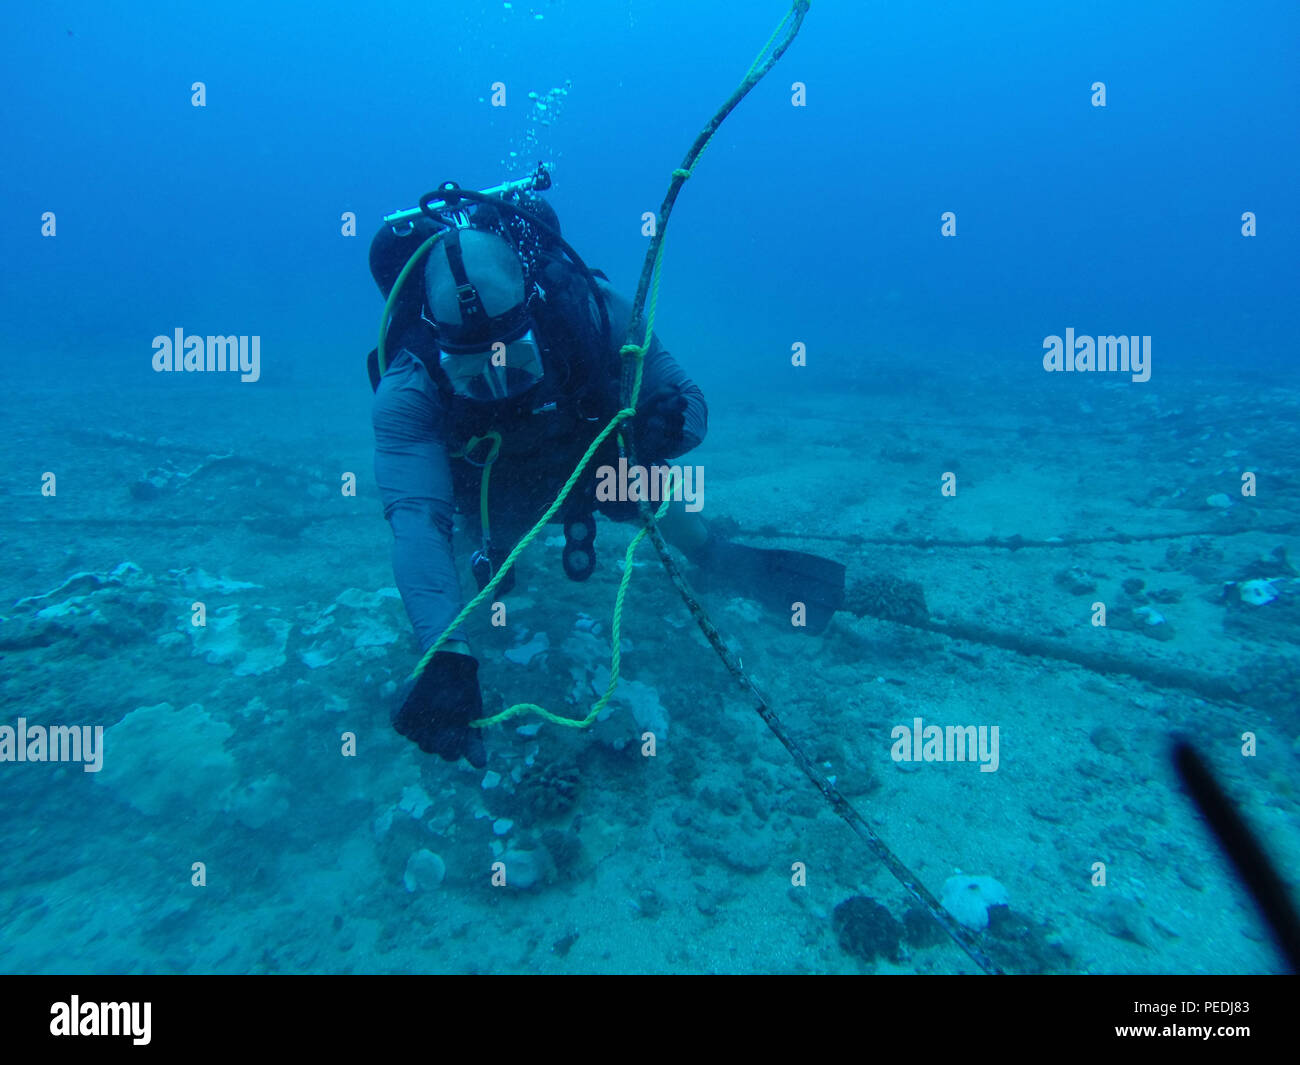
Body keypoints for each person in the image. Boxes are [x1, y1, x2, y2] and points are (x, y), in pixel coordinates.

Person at [368, 188, 843, 767]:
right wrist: (444, 652)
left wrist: (663, 428)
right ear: (439, 351)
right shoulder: (410, 381)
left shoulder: (590, 312)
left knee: (642, 480)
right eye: (469, 374)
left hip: (591, 460)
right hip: (489, 491)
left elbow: (691, 403)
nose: (498, 388)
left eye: (514, 361)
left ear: (531, 315)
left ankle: (716, 556)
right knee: (478, 561)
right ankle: (478, 586)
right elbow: (417, 517)